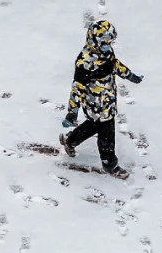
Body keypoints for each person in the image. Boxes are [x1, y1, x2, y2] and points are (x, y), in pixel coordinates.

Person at [59, 19, 143, 179]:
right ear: (95, 41)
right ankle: (110, 164)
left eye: (110, 42)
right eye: (105, 42)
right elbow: (77, 89)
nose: (109, 46)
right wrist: (72, 112)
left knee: (92, 126)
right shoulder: (84, 63)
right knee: (107, 135)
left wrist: (130, 75)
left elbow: (115, 65)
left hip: (108, 101)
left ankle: (70, 141)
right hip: (96, 105)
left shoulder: (106, 53)